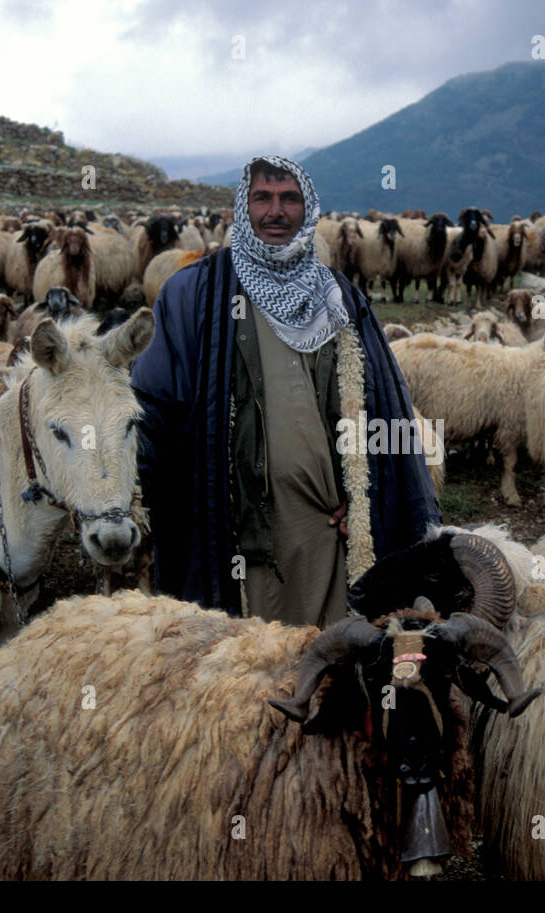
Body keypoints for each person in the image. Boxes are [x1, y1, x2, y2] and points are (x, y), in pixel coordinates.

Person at [131, 155, 439, 627]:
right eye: (263, 198)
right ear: (243, 206)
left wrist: (367, 495)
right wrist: (133, 501)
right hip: (235, 534)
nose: (276, 212)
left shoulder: (340, 299)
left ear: (308, 208)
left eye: (289, 199)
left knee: (331, 660)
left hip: (327, 534)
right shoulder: (193, 295)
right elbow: (152, 407)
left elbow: (386, 410)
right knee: (249, 671)